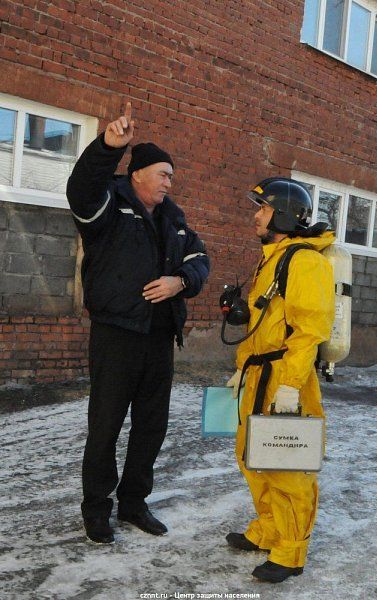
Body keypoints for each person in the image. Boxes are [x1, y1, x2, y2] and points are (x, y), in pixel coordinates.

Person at [66, 102, 210, 544]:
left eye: (171, 177)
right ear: (139, 174)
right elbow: (81, 190)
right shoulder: (109, 206)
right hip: (116, 334)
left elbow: (200, 260)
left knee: (151, 425)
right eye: (164, 174)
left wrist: (180, 282)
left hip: (159, 336)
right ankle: (96, 510)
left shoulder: (174, 218)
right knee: (106, 424)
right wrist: (108, 147)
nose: (170, 182)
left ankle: (133, 503)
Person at [225, 177, 335, 583]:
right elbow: (263, 322)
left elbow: (309, 330)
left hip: (286, 377)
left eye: (263, 209)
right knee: (253, 458)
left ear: (283, 215)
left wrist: (290, 385)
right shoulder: (275, 256)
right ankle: (270, 529)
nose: (256, 215)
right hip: (260, 373)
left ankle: (291, 551)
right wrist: (243, 365)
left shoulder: (305, 262)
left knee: (286, 466)